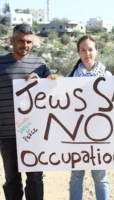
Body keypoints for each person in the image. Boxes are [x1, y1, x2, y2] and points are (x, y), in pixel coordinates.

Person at [0, 24, 55, 200]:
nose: (25, 45)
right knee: (12, 180)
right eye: (21, 41)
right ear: (12, 41)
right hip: (6, 133)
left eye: (29, 42)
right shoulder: (0, 63)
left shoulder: (40, 64)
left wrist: (41, 83)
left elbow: (52, 94)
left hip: (34, 133)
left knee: (35, 179)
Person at [67, 35, 111, 200]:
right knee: (76, 176)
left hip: (100, 135)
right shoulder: (70, 77)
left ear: (96, 51)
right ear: (78, 53)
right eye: (83, 50)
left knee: (100, 177)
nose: (87, 54)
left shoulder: (108, 76)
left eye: (90, 49)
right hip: (77, 135)